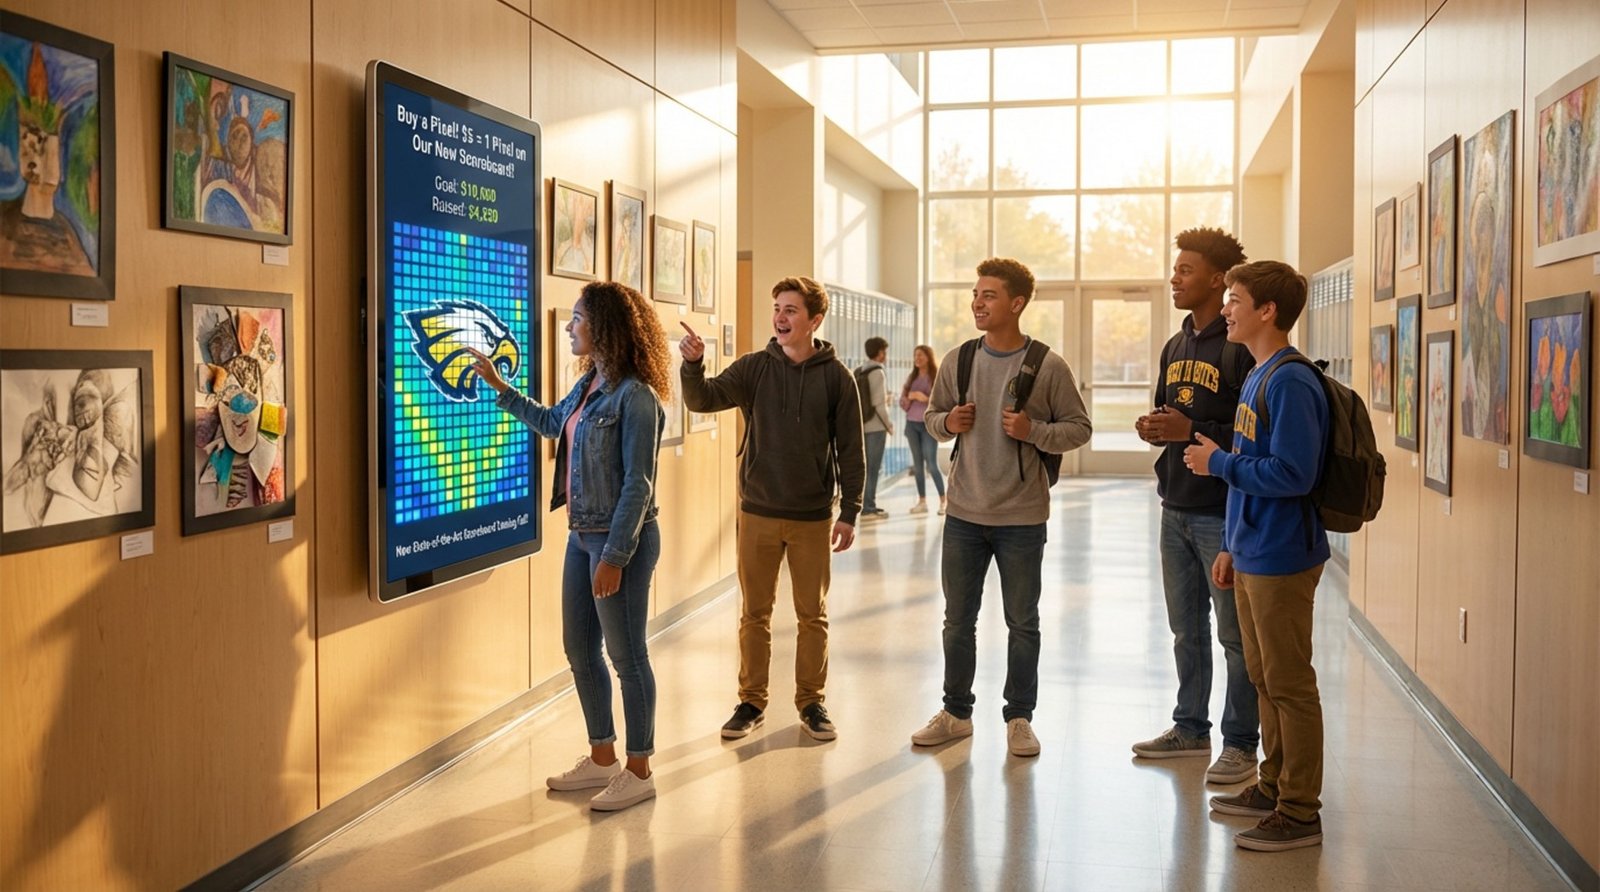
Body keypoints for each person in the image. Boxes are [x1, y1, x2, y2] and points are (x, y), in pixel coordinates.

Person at [470, 281, 670, 813]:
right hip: (580, 536)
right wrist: (499, 385)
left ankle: (640, 768)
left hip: (618, 540)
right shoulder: (588, 388)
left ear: (602, 326)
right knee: (580, 649)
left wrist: (614, 557)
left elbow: (638, 485)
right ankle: (602, 757)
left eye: (577, 318)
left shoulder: (638, 398)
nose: (569, 326)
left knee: (628, 657)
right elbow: (552, 422)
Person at [911, 257, 1092, 758]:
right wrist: (950, 422)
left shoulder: (1048, 366)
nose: (977, 302)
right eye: (975, 294)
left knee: (1022, 623)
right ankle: (955, 713)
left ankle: (1019, 718)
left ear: (1016, 304)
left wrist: (1031, 430)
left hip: (1021, 517)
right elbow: (931, 419)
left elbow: (1079, 428)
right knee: (957, 621)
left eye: (988, 295)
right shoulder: (959, 360)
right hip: (965, 512)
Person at [1183, 260, 1331, 852]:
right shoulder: (1257, 373)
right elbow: (1252, 473)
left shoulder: (1291, 381)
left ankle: (1300, 810)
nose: (1225, 309)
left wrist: (1215, 462)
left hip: (1284, 555)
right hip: (1251, 550)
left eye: (1235, 299)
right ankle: (1272, 786)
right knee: (1264, 677)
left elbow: (1293, 473)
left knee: (1290, 685)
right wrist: (1229, 545)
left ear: (1267, 311)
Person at [680, 275, 864, 742]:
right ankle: (751, 701)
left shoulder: (837, 378)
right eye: (777, 308)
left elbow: (851, 449)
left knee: (811, 615)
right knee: (754, 613)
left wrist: (850, 511)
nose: (780, 318)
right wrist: (694, 365)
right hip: (758, 510)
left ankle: (811, 702)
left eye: (791, 310)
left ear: (814, 320)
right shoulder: (753, 368)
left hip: (811, 515)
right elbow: (702, 400)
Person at [1131, 228, 1260, 786]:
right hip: (1174, 505)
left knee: (1234, 637)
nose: (1174, 278)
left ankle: (1240, 744)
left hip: (1223, 512)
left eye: (1185, 269)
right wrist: (1157, 429)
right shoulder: (1175, 343)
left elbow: (1253, 433)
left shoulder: (1239, 347)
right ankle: (1190, 728)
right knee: (1186, 630)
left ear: (1216, 279)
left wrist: (1194, 429)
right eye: (1174, 268)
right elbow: (1173, 414)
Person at [900, 344, 946, 516]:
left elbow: (941, 403)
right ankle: (922, 501)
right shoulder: (911, 378)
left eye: (921, 355)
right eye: (915, 355)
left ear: (928, 357)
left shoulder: (935, 377)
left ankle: (943, 501)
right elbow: (902, 403)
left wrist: (924, 398)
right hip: (911, 425)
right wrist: (909, 398)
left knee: (931, 464)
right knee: (918, 466)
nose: (917, 358)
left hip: (928, 426)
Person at [857, 336, 893, 520]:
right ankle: (868, 507)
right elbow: (879, 404)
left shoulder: (861, 369)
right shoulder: (878, 372)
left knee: (866, 467)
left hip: (862, 425)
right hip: (876, 427)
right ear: (879, 353)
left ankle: (866, 504)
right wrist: (889, 425)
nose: (885, 356)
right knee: (873, 467)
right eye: (884, 352)